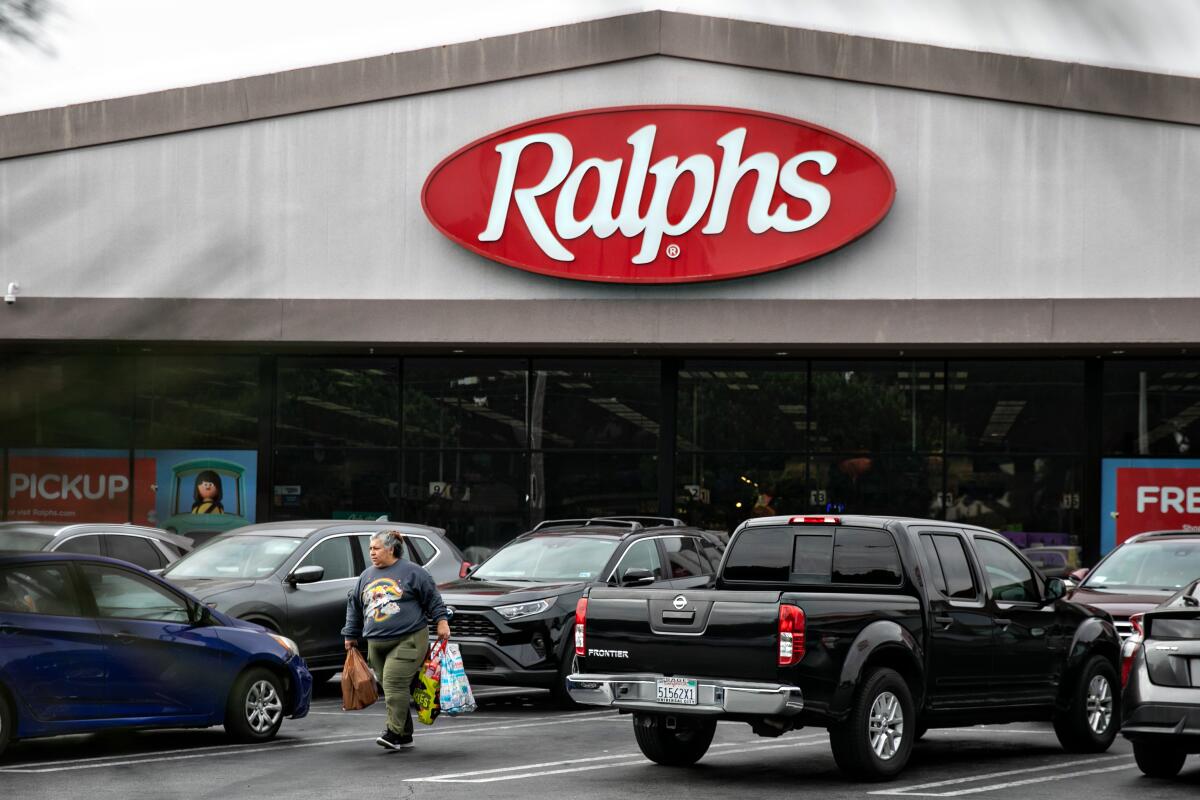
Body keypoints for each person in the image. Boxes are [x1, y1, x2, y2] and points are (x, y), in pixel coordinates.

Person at [343, 529, 450, 751]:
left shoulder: (413, 572)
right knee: (392, 686)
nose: (371, 552)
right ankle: (405, 734)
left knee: (393, 682)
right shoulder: (366, 575)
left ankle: (392, 732)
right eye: (370, 548)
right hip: (376, 643)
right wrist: (350, 634)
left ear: (390, 549)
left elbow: (433, 598)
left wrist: (442, 621)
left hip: (408, 639)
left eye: (376, 548)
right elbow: (354, 605)